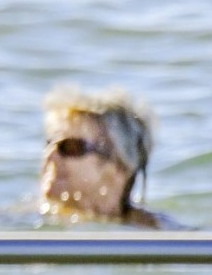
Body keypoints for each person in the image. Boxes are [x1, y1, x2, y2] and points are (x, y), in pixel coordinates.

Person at [35, 84, 166, 227]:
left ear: (119, 168)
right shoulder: (25, 221)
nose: (50, 156)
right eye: (49, 144)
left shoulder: (160, 234)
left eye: (71, 147)